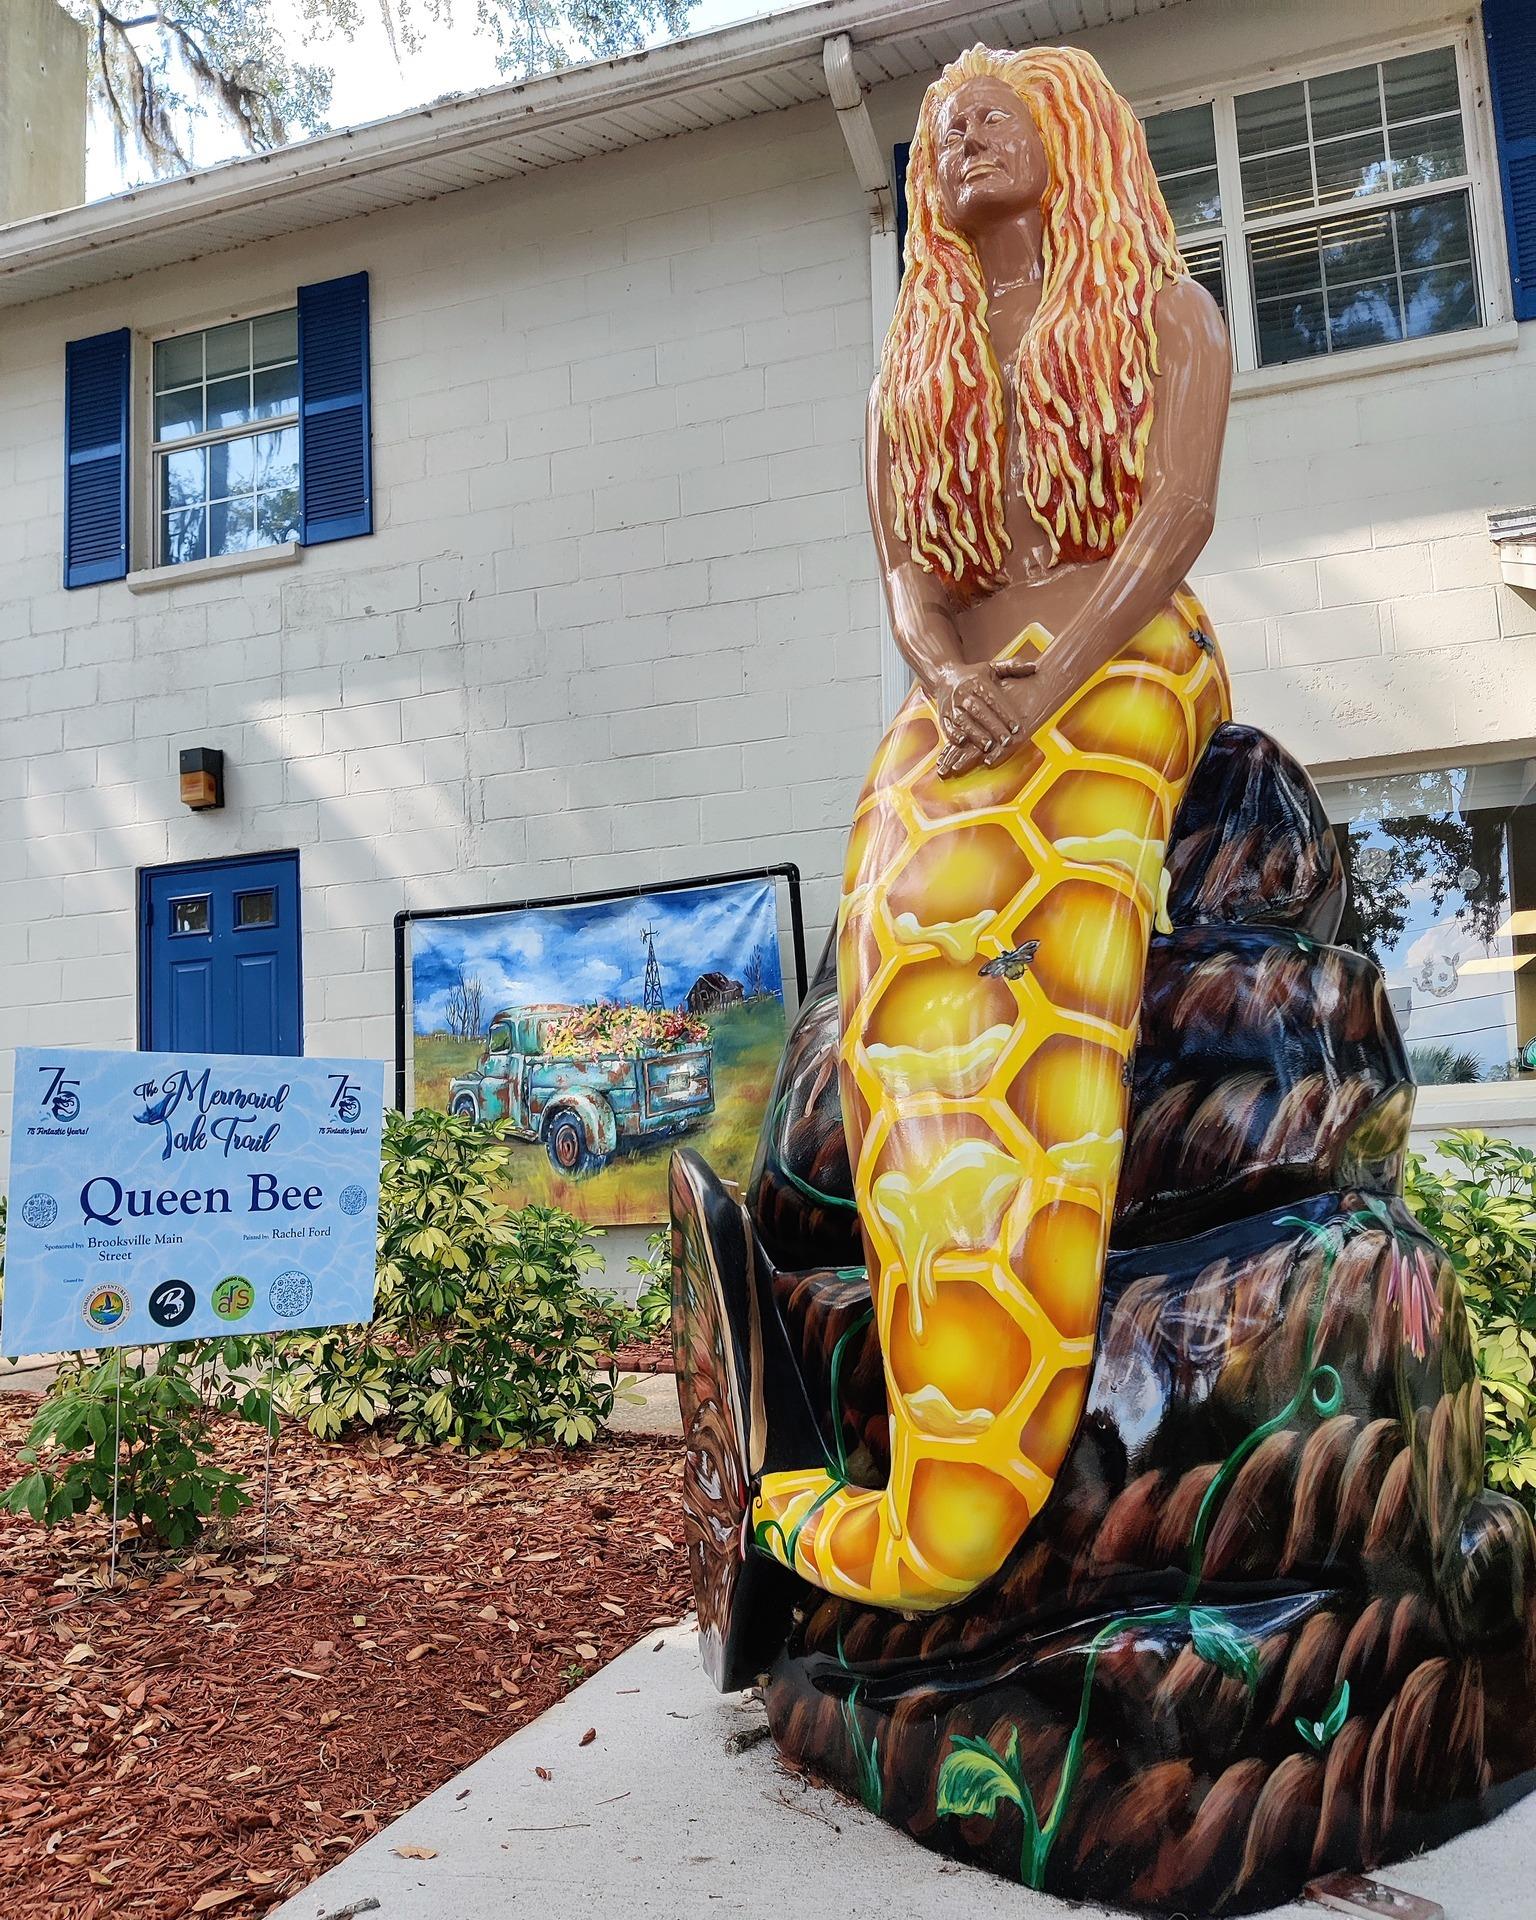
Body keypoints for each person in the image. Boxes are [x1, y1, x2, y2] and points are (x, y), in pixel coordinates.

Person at [748, 43, 1233, 1610]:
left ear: (1073, 137)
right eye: (938, 129)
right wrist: (955, 678)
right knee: (891, 934)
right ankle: (915, 1462)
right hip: (973, 694)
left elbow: (1172, 523)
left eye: (990, 118)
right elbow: (910, 569)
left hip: (1124, 654)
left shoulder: (1168, 314)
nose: (953, 139)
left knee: (1052, 930)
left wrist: (1049, 686)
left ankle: (978, 1481)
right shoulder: (920, 365)